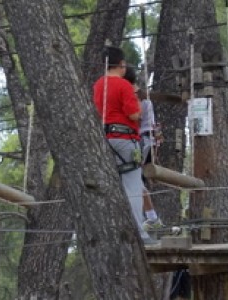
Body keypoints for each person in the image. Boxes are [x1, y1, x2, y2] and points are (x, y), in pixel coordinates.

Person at [93, 46, 157, 245]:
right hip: (126, 139)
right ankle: (140, 233)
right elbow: (134, 115)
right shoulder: (123, 86)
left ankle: (113, 231)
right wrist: (137, 105)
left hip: (106, 139)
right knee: (133, 187)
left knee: (114, 186)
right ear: (121, 65)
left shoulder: (98, 85)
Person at [122, 67, 162, 231]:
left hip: (142, 139)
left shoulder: (137, 96)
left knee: (132, 178)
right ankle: (151, 217)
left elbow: (135, 118)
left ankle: (150, 217)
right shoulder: (139, 95)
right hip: (143, 139)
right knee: (134, 178)